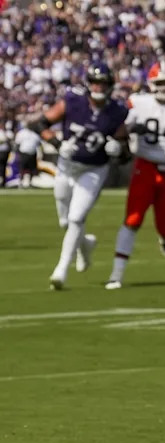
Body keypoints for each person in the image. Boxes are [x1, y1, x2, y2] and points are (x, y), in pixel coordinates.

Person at [24, 61, 129, 290]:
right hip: (66, 167)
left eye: (103, 84)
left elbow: (126, 153)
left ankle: (61, 270)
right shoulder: (72, 101)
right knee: (65, 221)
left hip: (93, 170)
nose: (98, 88)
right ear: (88, 83)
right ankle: (85, 245)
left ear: (110, 85)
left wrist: (119, 150)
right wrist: (57, 142)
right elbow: (39, 124)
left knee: (76, 218)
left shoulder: (117, 112)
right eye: (95, 83)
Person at [105, 61, 165, 289]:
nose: (164, 88)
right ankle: (116, 275)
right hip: (145, 167)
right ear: (151, 84)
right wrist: (128, 133)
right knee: (133, 219)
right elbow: (120, 131)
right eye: (160, 83)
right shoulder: (139, 103)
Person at [14, 123, 42, 188]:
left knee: (32, 169)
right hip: (24, 153)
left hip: (32, 153)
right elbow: (17, 143)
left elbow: (39, 144)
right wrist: (17, 153)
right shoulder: (21, 133)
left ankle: (30, 183)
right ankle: (20, 183)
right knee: (22, 169)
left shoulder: (35, 134)